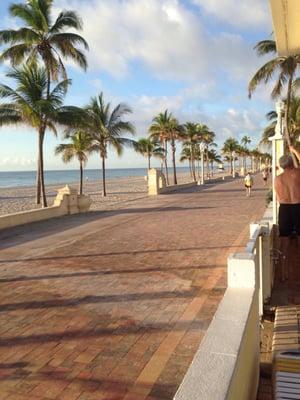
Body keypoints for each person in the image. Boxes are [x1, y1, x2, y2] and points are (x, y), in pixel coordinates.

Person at [274, 148, 300, 279]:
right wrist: (295, 150)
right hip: (298, 206)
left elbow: (278, 197)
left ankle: (283, 274)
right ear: (291, 163)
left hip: (284, 209)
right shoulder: (297, 173)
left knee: (284, 243)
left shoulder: (277, 179)